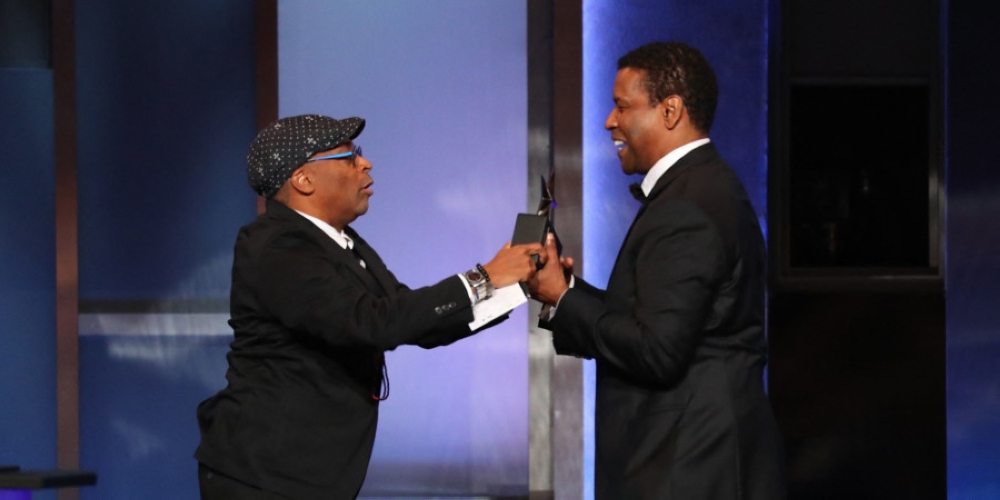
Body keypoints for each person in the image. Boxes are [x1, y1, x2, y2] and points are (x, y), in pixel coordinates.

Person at [195, 114, 544, 499]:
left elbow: (412, 319)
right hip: (264, 476)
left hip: (308, 474)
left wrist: (515, 285)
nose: (365, 163)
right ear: (303, 180)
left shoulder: (343, 242)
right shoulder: (276, 246)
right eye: (348, 156)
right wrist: (484, 278)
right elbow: (371, 322)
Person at [529, 42, 785, 498]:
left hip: (687, 466)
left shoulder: (688, 204)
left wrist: (564, 298)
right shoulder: (701, 188)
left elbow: (657, 351)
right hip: (693, 459)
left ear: (670, 111)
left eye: (622, 106)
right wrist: (563, 291)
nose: (610, 121)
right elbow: (658, 323)